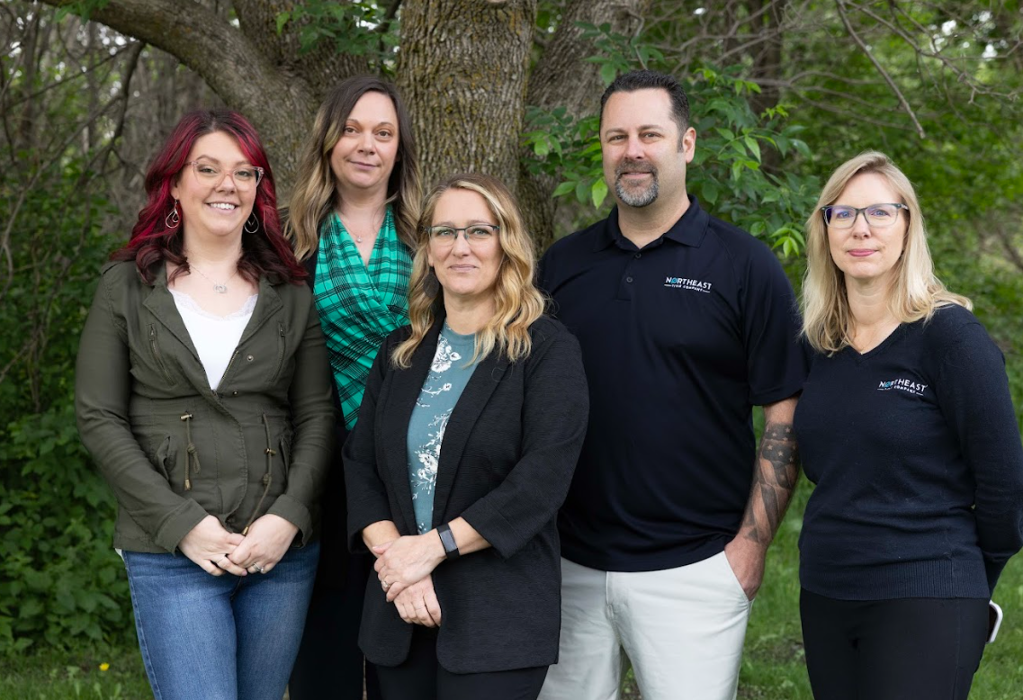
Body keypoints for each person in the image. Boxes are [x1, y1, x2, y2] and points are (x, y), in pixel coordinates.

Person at [538, 69, 808, 700]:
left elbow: (784, 409)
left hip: (696, 568)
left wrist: (750, 547)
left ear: (687, 144)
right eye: (617, 137)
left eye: (650, 135)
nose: (632, 151)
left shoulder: (745, 265)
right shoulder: (561, 266)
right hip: (567, 565)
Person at [75, 109, 334, 700]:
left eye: (244, 173)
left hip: (277, 555)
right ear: (174, 183)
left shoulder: (291, 291)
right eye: (208, 169)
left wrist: (289, 515)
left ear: (259, 189)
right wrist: (181, 525)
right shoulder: (125, 286)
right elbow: (98, 416)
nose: (228, 185)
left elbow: (318, 415)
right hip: (171, 551)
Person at [343, 173, 589, 700]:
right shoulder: (401, 351)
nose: (461, 247)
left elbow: (541, 480)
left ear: (506, 244)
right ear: (428, 250)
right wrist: (401, 566)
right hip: (398, 611)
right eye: (445, 232)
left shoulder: (545, 350)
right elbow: (360, 464)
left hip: (496, 619)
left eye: (479, 231)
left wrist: (431, 550)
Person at [794, 151, 1023, 700]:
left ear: (907, 226)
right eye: (843, 214)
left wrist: (973, 579)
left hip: (929, 590)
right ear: (825, 230)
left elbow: (1004, 483)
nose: (861, 229)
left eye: (880, 212)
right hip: (826, 590)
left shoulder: (951, 338)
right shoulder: (817, 343)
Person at [285, 75, 421, 700]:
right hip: (322, 468)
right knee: (325, 658)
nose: (367, 145)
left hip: (415, 468)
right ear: (328, 142)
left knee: (408, 654)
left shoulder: (431, 238)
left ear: (399, 148)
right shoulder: (289, 245)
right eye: (352, 129)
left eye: (383, 133)